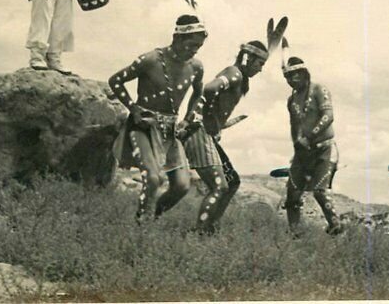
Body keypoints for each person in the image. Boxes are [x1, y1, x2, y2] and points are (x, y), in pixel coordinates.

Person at [108, 14, 206, 222]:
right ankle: (142, 223)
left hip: (170, 132)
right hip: (142, 127)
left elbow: (199, 93)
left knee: (181, 186)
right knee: (153, 178)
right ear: (177, 38)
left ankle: (150, 218)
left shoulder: (196, 67)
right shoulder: (150, 60)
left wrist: (188, 119)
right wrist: (133, 109)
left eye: (198, 47)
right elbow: (116, 81)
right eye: (191, 45)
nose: (194, 50)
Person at [182, 40, 269, 234]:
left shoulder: (238, 76)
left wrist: (219, 125)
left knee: (232, 182)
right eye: (259, 64)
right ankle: (199, 232)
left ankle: (210, 228)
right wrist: (211, 120)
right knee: (220, 186)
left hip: (204, 132)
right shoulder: (234, 73)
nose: (260, 69)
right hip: (198, 131)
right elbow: (209, 90)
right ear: (248, 59)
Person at [283, 56, 342, 235]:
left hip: (325, 148)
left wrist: (309, 137)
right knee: (292, 193)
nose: (291, 81)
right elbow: (294, 126)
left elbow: (328, 116)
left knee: (319, 191)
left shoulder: (319, 89)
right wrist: (297, 145)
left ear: (304, 73)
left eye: (295, 76)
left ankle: (336, 227)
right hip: (303, 152)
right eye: (288, 77)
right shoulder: (291, 100)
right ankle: (294, 233)